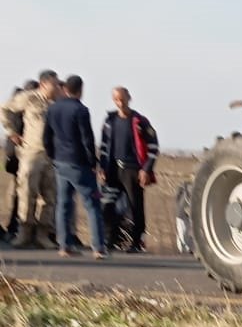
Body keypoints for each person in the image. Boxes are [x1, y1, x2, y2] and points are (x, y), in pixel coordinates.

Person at [43, 74, 107, 260]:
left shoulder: (53, 109)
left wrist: (52, 155)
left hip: (60, 162)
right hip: (79, 163)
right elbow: (87, 139)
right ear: (81, 90)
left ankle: (65, 245)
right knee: (92, 204)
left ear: (65, 89)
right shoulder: (81, 110)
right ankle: (98, 247)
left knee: (63, 204)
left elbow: (46, 137)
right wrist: (92, 163)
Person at [0, 72, 60, 248]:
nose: (57, 88)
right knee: (27, 192)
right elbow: (5, 109)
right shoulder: (29, 98)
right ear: (44, 84)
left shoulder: (57, 104)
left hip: (51, 155)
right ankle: (24, 233)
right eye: (54, 85)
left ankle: (43, 235)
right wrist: (12, 132)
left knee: (49, 197)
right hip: (31, 153)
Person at [99, 87, 159, 252]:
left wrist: (146, 169)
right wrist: (102, 167)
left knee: (135, 207)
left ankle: (136, 242)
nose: (120, 103)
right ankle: (110, 240)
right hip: (113, 170)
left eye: (122, 99)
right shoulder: (109, 121)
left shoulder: (140, 121)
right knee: (107, 205)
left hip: (133, 170)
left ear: (129, 98)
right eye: (116, 100)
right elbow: (104, 147)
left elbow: (154, 147)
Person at [1, 80, 38, 242]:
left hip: (16, 159)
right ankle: (16, 227)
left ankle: (15, 227)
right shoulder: (21, 111)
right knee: (20, 194)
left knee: (18, 193)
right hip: (20, 158)